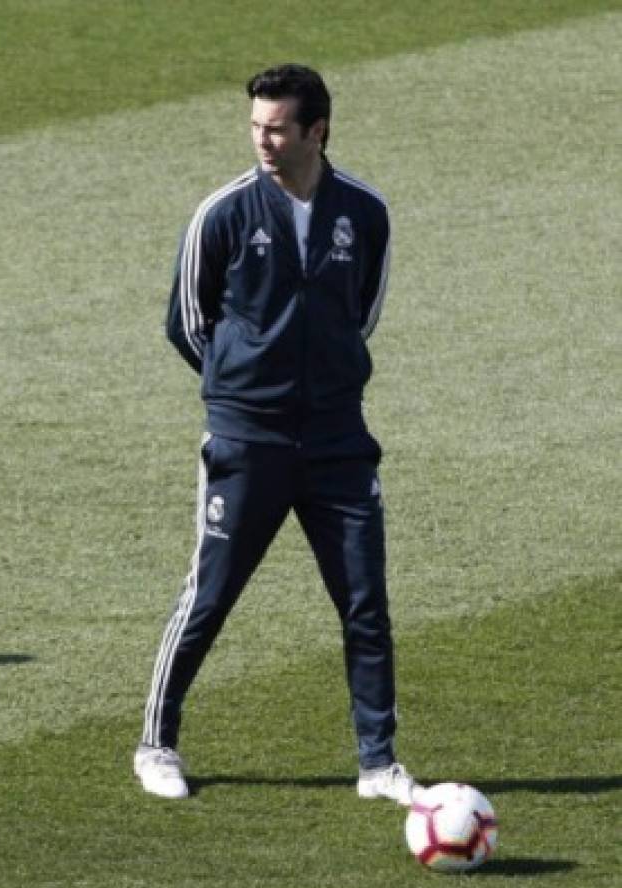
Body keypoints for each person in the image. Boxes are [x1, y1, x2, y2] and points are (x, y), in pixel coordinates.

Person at [135, 63, 420, 803]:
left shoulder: (365, 211)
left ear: (315, 131)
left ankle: (378, 762)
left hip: (336, 442)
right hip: (247, 441)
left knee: (365, 601)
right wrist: (243, 389)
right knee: (210, 596)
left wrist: (321, 383)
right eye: (255, 125)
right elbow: (187, 323)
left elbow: (361, 314)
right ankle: (156, 745)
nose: (262, 139)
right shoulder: (222, 213)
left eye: (277, 127)